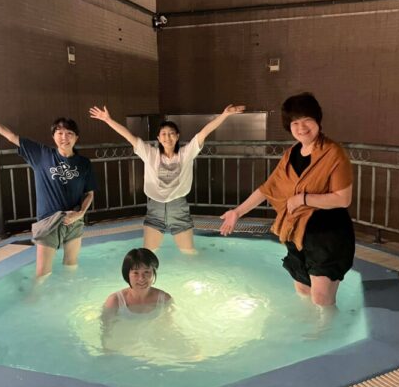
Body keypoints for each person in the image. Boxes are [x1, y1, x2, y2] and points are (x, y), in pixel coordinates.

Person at [220, 92, 354, 306]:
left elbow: (342, 199)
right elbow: (268, 188)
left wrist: (303, 199)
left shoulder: (333, 153)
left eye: (307, 120)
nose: (301, 127)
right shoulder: (291, 154)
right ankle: (310, 326)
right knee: (302, 290)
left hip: (327, 234)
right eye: (295, 123)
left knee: (321, 298)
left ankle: (327, 327)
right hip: (296, 231)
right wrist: (238, 212)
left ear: (317, 120)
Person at [0, 103, 97, 278]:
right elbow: (11, 135)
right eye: (60, 133)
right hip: (48, 221)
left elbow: (89, 193)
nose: (64, 137)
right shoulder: (41, 154)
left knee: (71, 267)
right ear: (53, 136)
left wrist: (80, 214)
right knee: (43, 274)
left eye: (69, 133)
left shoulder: (84, 163)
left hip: (74, 220)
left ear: (76, 137)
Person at [89, 104, 245, 252]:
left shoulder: (186, 153)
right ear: (158, 138)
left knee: (188, 253)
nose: (167, 137)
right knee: (149, 253)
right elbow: (129, 136)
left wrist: (224, 115)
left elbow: (204, 132)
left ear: (177, 136)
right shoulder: (150, 153)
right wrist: (108, 120)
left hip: (178, 208)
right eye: (163, 134)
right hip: (154, 209)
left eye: (171, 133)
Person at [103, 248, 171, 317]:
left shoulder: (165, 299)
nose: (141, 278)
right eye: (135, 273)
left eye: (146, 272)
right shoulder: (115, 301)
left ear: (154, 273)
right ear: (127, 274)